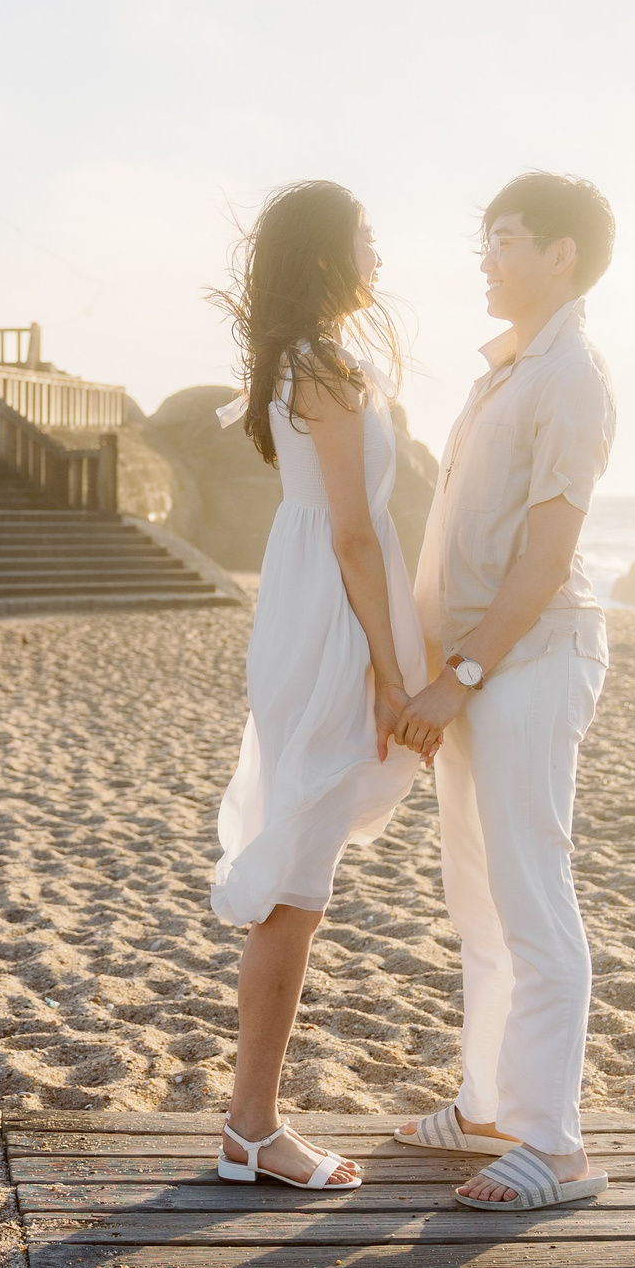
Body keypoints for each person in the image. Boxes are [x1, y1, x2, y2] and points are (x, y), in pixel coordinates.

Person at [391, 170, 620, 1212]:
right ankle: (486, 1105)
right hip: (477, 666)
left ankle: (552, 1144)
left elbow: (543, 557)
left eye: (505, 238)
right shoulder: (506, 372)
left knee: (533, 896)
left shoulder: (571, 375)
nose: (485, 256)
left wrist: (460, 675)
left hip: (530, 658)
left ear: (560, 254)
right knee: (476, 896)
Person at [205, 180, 431, 1191]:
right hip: (331, 620)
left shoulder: (300, 362)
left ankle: (252, 1120)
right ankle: (251, 1123)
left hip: (307, 607)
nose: (377, 255)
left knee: (300, 865)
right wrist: (391, 668)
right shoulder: (324, 369)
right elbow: (350, 532)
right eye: (365, 239)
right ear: (326, 256)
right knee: (297, 878)